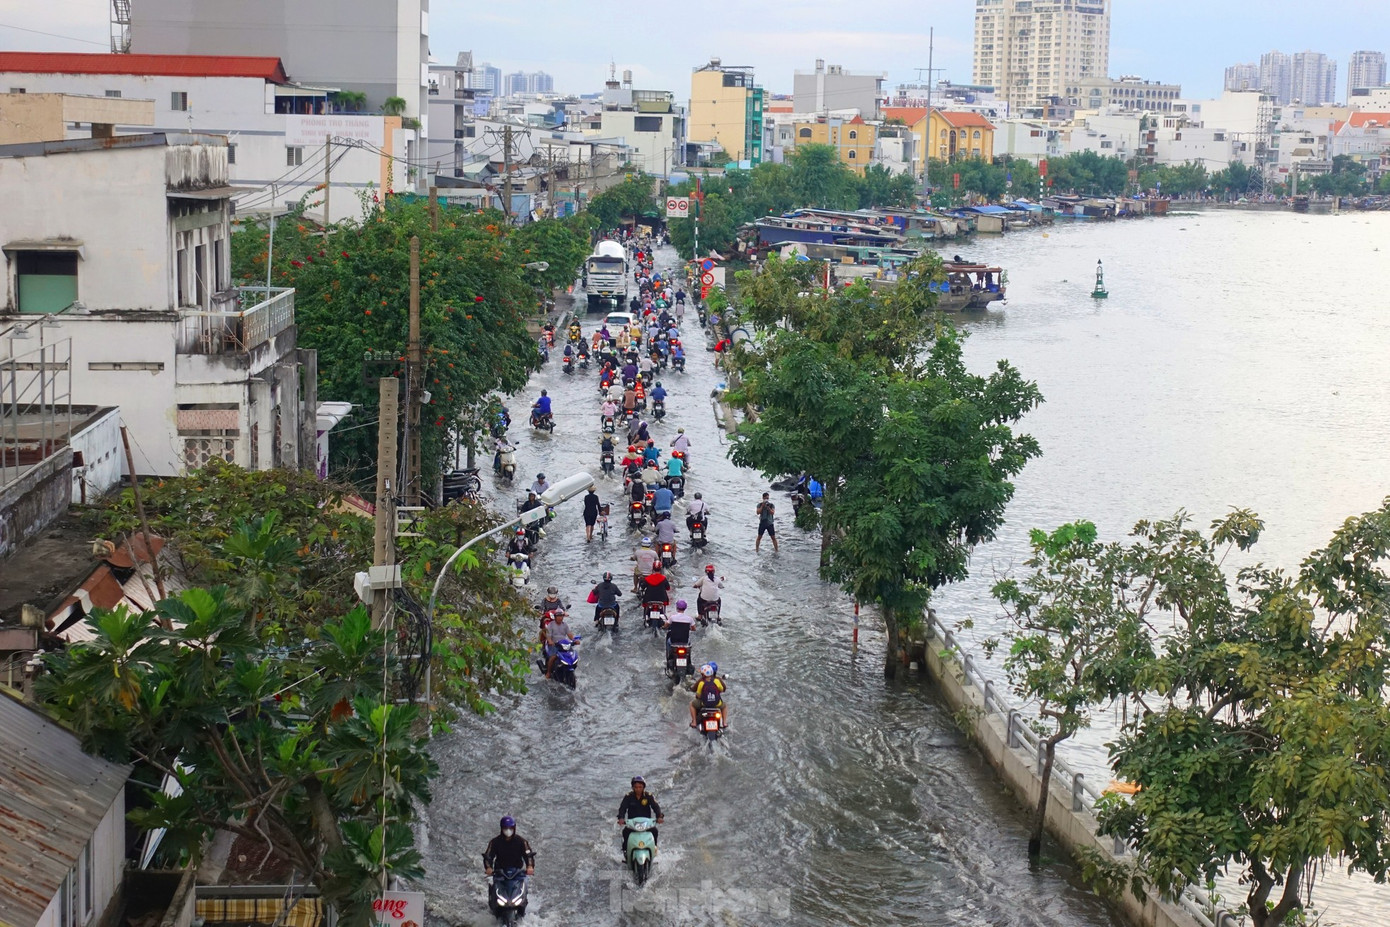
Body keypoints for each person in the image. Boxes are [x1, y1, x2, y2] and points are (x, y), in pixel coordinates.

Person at [618, 777, 663, 851]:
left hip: (647, 824)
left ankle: (654, 848)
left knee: (655, 831)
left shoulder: (649, 796)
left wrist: (659, 817)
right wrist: (621, 818)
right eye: (636, 787)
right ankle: (625, 850)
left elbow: (656, 807)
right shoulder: (628, 796)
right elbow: (622, 808)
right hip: (632, 824)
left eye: (640, 787)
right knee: (625, 832)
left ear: (643, 787)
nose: (638, 789)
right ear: (633, 787)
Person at [690, 662, 727, 728]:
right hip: (717, 704)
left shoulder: (701, 682)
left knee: (692, 704)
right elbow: (721, 689)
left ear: (702, 674)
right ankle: (724, 723)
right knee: (724, 706)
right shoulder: (717, 681)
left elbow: (698, 695)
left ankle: (694, 722)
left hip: (704, 704)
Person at [542, 610, 576, 678]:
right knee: (553, 656)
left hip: (563, 644)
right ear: (555, 617)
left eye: (561, 616)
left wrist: (574, 640)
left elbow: (569, 634)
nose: (560, 618)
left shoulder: (565, 625)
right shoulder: (551, 625)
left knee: (572, 655)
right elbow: (548, 636)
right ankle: (548, 672)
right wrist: (550, 641)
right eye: (558, 616)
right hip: (554, 644)